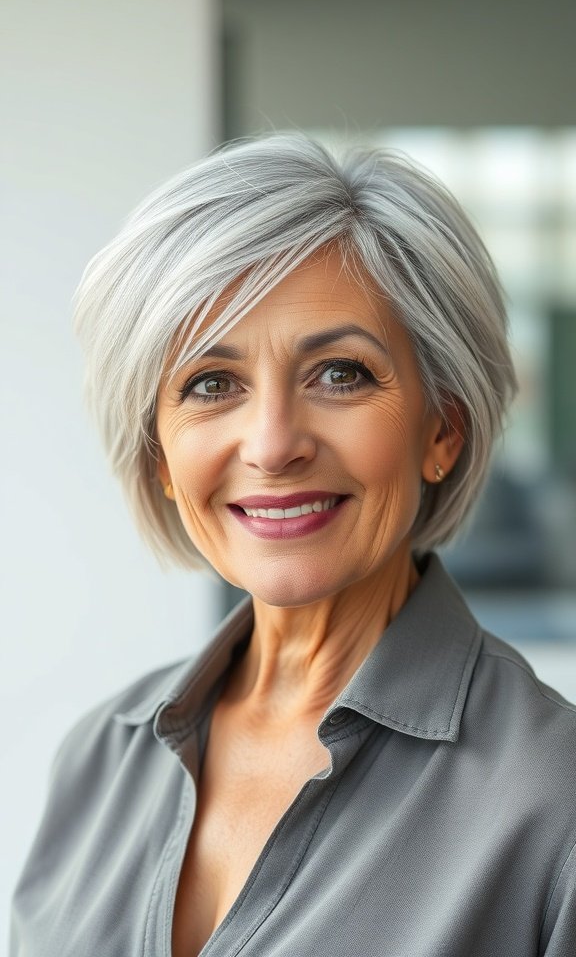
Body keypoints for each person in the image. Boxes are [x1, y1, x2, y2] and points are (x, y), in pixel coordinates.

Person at [10, 135, 576, 957]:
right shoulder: (100, 759)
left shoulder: (553, 804)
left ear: (442, 431)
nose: (273, 445)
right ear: (161, 458)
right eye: (212, 384)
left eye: (340, 374)